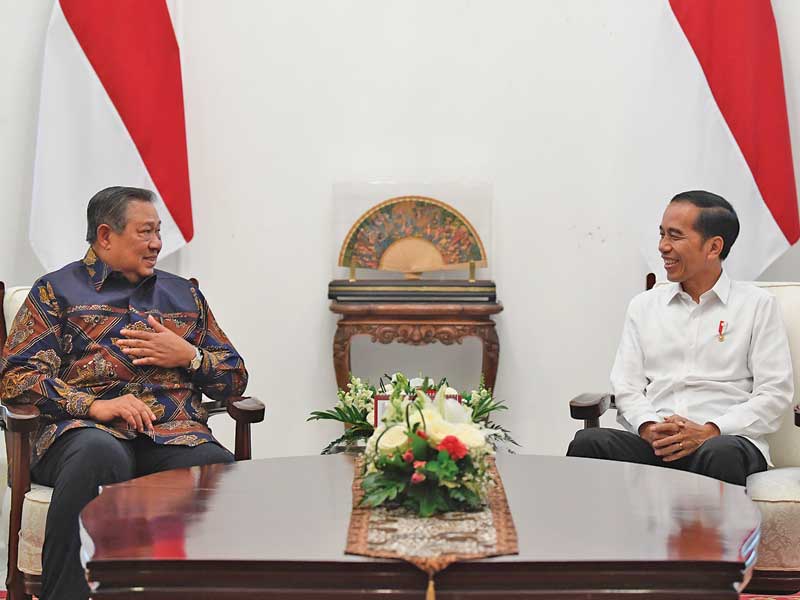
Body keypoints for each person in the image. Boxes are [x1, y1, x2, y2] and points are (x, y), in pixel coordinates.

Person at [0, 186, 248, 600]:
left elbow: (234, 379)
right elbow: (17, 377)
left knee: (214, 466)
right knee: (99, 454)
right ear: (105, 236)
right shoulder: (55, 291)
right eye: (145, 232)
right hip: (80, 434)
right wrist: (93, 405)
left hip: (172, 433)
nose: (156, 243)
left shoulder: (183, 294)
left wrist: (188, 356)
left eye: (158, 232)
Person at [567, 190, 793, 486]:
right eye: (662, 234)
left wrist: (711, 429)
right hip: (656, 445)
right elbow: (626, 386)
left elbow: (774, 394)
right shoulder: (644, 306)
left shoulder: (757, 306)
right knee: (589, 442)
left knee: (719, 453)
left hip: (724, 441)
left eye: (675, 236)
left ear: (713, 247)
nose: (663, 247)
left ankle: (714, 535)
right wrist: (648, 427)